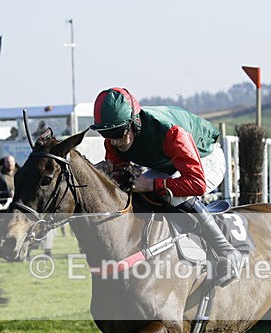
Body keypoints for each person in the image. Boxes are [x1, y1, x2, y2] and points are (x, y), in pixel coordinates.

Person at [90, 87, 242, 286]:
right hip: (171, 166)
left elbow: (196, 183)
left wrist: (153, 184)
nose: (114, 140)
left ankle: (227, 250)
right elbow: (122, 178)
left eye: (118, 132)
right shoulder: (113, 140)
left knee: (172, 195)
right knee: (138, 192)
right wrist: (106, 173)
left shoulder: (171, 132)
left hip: (206, 159)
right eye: (106, 134)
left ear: (134, 121)